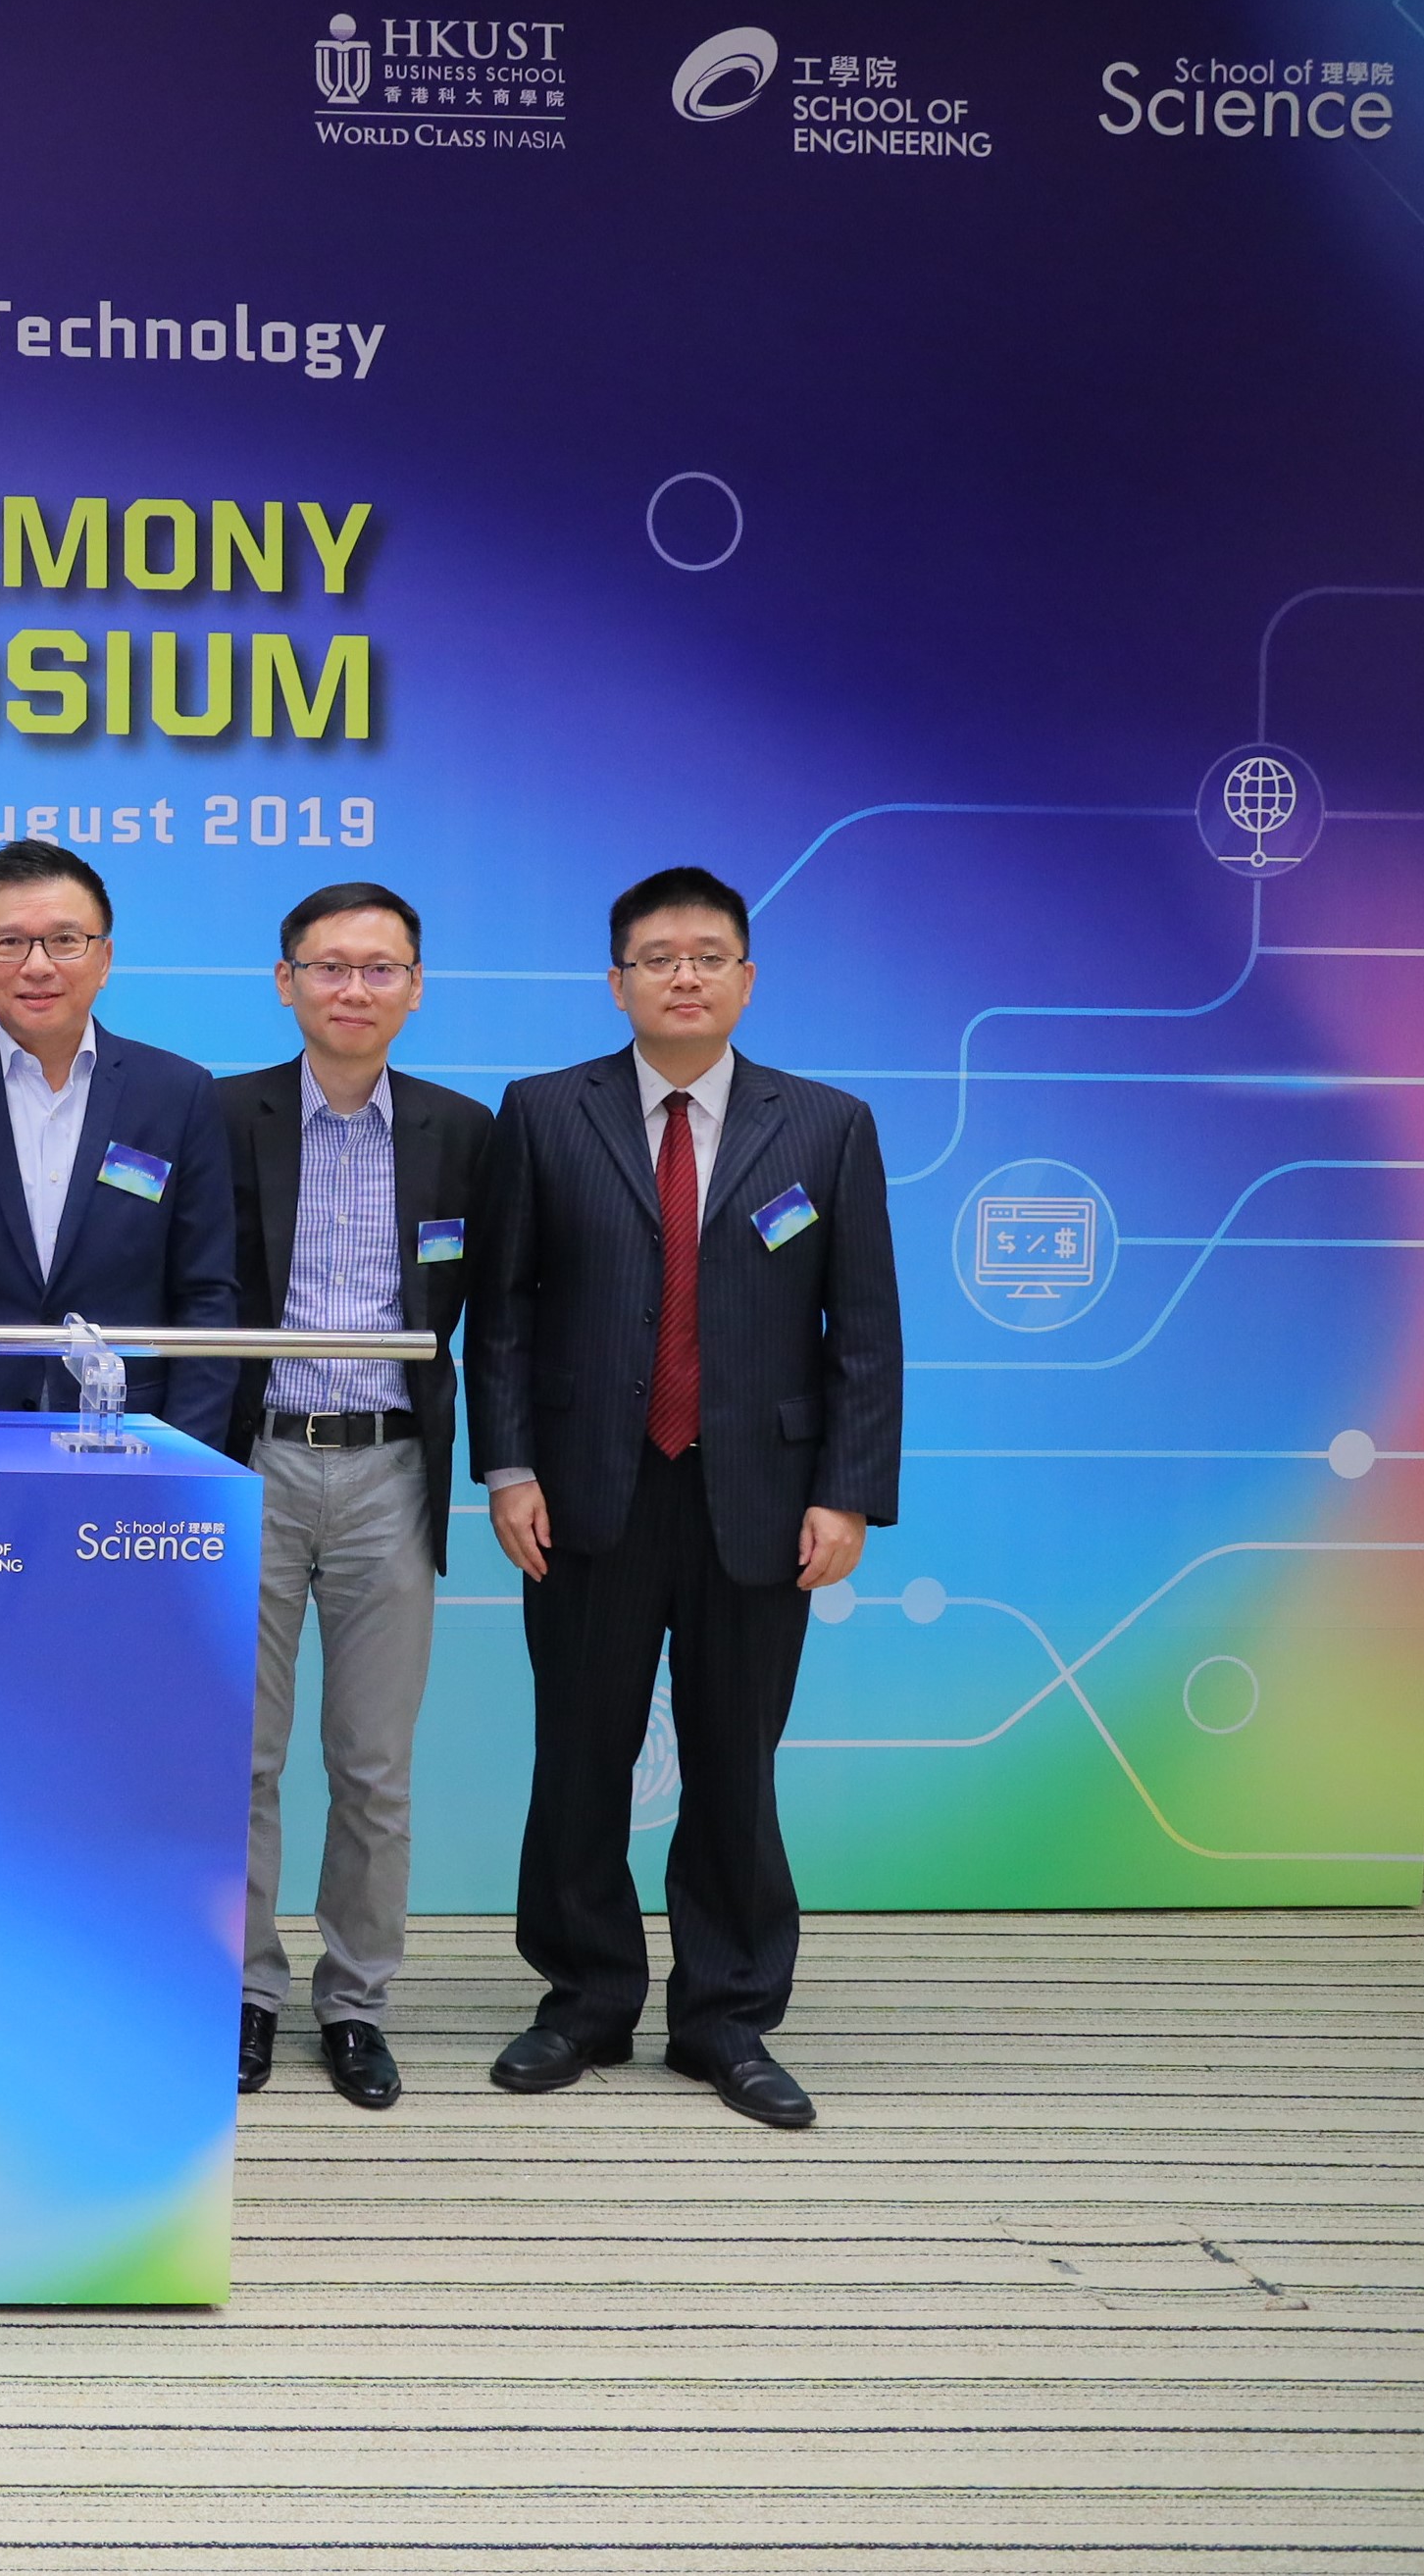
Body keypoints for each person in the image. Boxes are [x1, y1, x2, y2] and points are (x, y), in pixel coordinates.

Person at [470, 866, 901, 2131]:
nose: (682, 975)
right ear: (615, 982)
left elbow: (861, 1328)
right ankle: (583, 1999)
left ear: (745, 979)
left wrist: (847, 1495)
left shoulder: (823, 1124)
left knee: (732, 1761)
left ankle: (723, 2017)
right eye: (655, 957)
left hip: (759, 1498)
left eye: (707, 955)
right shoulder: (545, 1112)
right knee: (579, 1754)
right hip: (584, 1492)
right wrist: (507, 1469)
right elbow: (495, 1315)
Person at [217, 881, 493, 2111]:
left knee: (372, 1762)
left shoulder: (463, 1131)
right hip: (253, 1462)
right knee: (242, 1757)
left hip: (390, 1466)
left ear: (414, 987)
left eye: (379, 969)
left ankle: (354, 2001)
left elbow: (503, 1315)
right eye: (327, 967)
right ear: (285, 982)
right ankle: (242, 1992)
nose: (352, 989)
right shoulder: (221, 1117)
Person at [0, 842, 237, 1440]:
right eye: (8, 943)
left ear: (105, 958)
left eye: (65, 940)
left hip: (133, 1436)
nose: (36, 965)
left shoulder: (177, 1093)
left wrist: (184, 1452)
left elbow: (207, 1298)